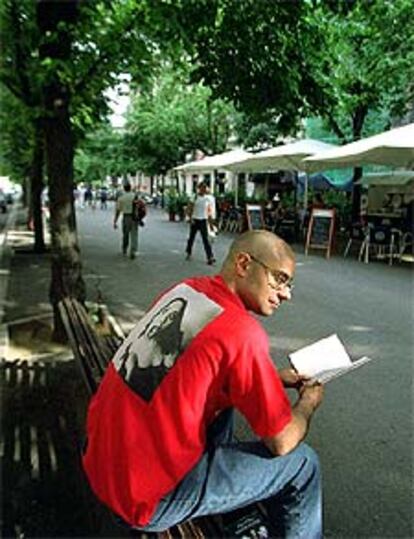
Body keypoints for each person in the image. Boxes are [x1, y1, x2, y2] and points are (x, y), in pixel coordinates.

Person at [82, 230, 325, 538]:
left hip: (102, 460)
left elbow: (185, 372)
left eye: (289, 284)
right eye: (279, 278)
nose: (286, 293)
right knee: (304, 465)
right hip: (144, 499)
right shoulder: (242, 332)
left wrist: (271, 378)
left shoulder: (185, 291)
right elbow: (282, 442)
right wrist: (307, 403)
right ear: (243, 263)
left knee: (225, 408)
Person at [185, 182, 216, 265]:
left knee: (205, 239)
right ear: (199, 188)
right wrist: (189, 217)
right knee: (192, 237)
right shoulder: (194, 197)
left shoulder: (207, 199)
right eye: (202, 188)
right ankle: (188, 251)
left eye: (205, 188)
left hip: (203, 220)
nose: (203, 189)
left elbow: (209, 211)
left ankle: (210, 256)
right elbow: (189, 208)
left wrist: (211, 223)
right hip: (195, 219)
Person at [113, 183, 140, 259]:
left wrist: (115, 221)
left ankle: (124, 248)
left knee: (125, 234)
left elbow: (118, 210)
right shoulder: (135, 196)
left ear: (124, 188)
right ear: (130, 188)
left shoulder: (121, 198)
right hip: (134, 217)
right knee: (134, 235)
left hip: (126, 217)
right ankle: (133, 251)